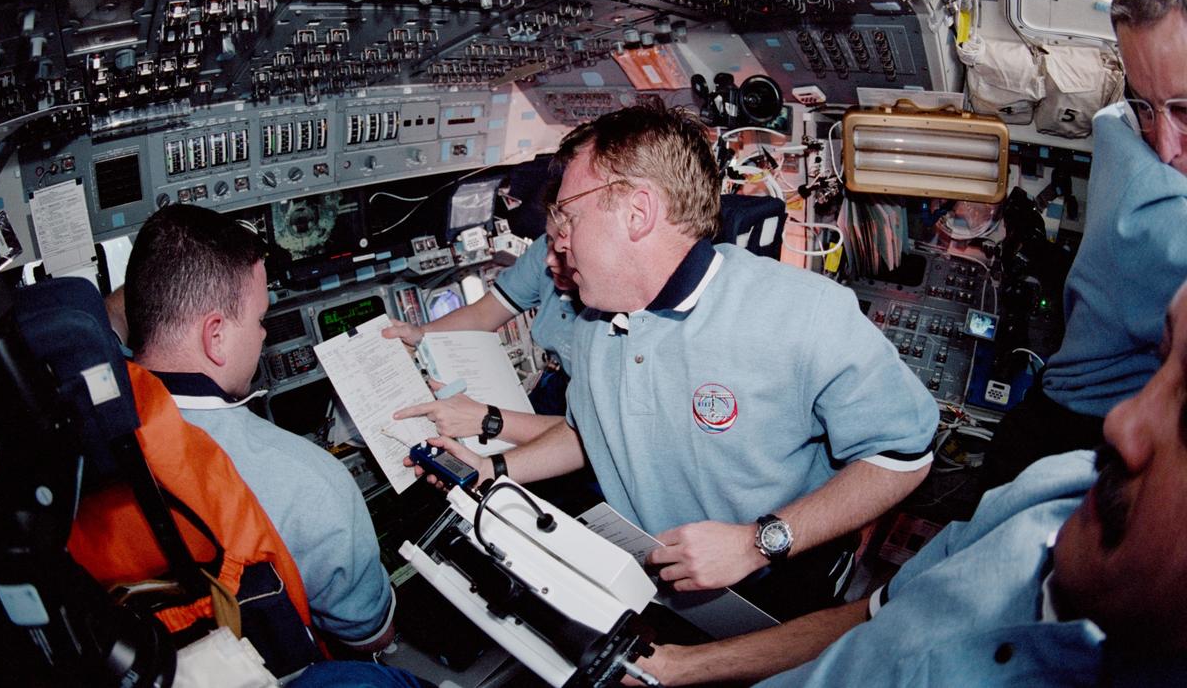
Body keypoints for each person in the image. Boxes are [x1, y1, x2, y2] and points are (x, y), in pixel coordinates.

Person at [413, 103, 938, 619]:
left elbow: (903, 455)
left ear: (638, 214)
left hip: (775, 588)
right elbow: (589, 432)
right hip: (647, 588)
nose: (560, 241)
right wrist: (494, 469)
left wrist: (759, 543)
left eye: (569, 217)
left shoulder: (803, 312)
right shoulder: (597, 322)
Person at [632, 279, 1187, 687]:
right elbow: (871, 617)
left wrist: (756, 543)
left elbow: (903, 452)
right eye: (1161, 364)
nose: (1119, 422)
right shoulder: (1047, 492)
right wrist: (680, 667)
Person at [123, 204, 399, 655]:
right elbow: (372, 634)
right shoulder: (312, 482)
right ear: (214, 336)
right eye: (260, 319)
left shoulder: (80, 433)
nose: (264, 336)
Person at [984, 0, 1187, 488]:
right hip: (1074, 429)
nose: (1164, 145)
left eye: (1185, 109)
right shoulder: (1157, 206)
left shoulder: (1113, 123)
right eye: (1145, 104)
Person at [384, 220, 576, 445]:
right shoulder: (548, 251)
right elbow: (483, 314)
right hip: (560, 388)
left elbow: (587, 438)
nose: (549, 260)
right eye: (551, 239)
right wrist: (420, 335)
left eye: (564, 246)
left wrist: (485, 420)